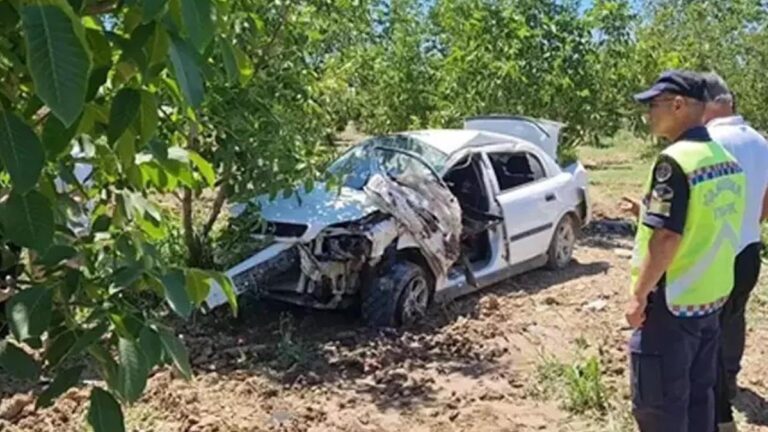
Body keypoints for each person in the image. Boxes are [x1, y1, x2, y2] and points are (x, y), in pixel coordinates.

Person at [626, 70, 747, 432]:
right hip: (710, 300)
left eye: (654, 105)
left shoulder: (674, 162)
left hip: (672, 305)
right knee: (699, 397)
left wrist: (638, 295)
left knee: (660, 405)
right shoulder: (725, 160)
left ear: (678, 105)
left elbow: (666, 239)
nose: (649, 113)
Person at [701, 72, 768, 432]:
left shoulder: (708, 141)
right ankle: (729, 378)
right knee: (735, 316)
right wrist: (749, 224)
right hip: (749, 248)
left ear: (712, 104)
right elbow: (766, 199)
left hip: (716, 251)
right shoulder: (760, 140)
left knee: (706, 325)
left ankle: (716, 403)